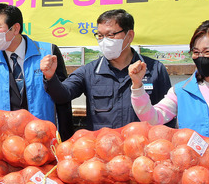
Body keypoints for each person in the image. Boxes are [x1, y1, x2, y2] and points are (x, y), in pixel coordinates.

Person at [129, 20, 209, 169]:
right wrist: (137, 86)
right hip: (191, 179)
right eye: (196, 52)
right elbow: (152, 118)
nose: (201, 57)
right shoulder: (181, 91)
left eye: (208, 52)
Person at [40, 9, 172, 131]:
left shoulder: (154, 69)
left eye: (110, 35)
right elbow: (64, 95)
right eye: (100, 36)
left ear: (129, 35)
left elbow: (167, 115)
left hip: (141, 149)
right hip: (104, 149)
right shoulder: (90, 71)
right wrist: (51, 77)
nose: (104, 41)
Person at [0, 3, 74, 140]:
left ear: (15, 29)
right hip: (5, 139)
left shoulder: (48, 52)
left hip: (42, 135)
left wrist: (66, 137)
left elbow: (63, 97)